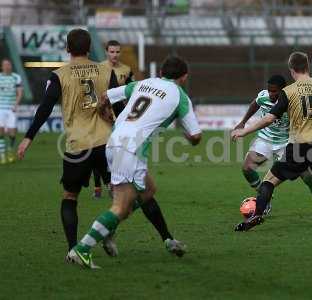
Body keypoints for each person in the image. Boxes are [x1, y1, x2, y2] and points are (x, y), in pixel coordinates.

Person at [17, 29, 177, 260]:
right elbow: (119, 103)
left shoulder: (59, 75)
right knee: (132, 194)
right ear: (90, 47)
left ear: (68, 49)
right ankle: (156, 237)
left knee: (70, 197)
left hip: (78, 145)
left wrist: (28, 137)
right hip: (108, 143)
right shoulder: (105, 70)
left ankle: (73, 248)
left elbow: (45, 107)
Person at [66, 56, 202, 269]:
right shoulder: (180, 96)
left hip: (114, 143)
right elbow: (195, 137)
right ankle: (83, 249)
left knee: (148, 190)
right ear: (184, 77)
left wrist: (105, 115)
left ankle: (160, 238)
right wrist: (183, 130)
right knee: (120, 207)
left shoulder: (143, 83)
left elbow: (104, 97)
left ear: (162, 72)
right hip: (131, 150)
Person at [231, 51, 312, 231]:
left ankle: (257, 215)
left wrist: (244, 131)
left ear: (291, 70)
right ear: (308, 67)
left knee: (269, 180)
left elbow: (269, 118)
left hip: (300, 145)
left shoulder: (288, 92)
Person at [234, 75, 312, 213]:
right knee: (247, 168)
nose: (271, 94)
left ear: (283, 90)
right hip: (265, 139)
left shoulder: (292, 100)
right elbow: (255, 104)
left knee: (306, 175)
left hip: (286, 142)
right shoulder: (264, 96)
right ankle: (265, 198)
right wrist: (243, 121)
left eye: (275, 91)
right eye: (269, 90)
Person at [92, 40, 135, 198]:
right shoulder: (98, 69)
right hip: (101, 114)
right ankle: (97, 185)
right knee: (99, 149)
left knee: (116, 150)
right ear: (106, 52)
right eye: (112, 52)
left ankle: (113, 182)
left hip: (119, 115)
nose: (114, 55)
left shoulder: (126, 70)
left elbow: (133, 91)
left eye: (117, 52)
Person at [0, 58, 23, 164]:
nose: (7, 66)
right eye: (5, 65)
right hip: (1, 108)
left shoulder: (16, 77)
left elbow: (19, 93)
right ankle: (2, 155)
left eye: (9, 64)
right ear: (2, 66)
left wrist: (16, 104)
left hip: (11, 109)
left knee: (12, 132)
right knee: (1, 131)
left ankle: (10, 150)